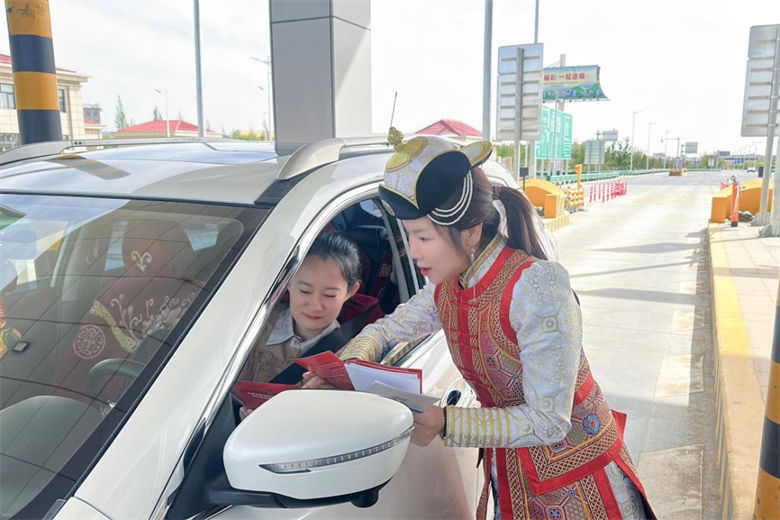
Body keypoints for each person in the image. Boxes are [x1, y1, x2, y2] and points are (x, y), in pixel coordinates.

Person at [305, 129, 655, 520]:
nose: (413, 251)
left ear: (470, 232)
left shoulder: (536, 287)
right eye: (409, 236)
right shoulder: (448, 285)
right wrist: (342, 369)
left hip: (577, 479)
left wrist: (446, 422)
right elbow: (385, 330)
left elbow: (549, 420)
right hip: (511, 469)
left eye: (423, 237)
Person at [237, 232, 364, 418]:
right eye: (305, 291)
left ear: (350, 292)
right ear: (287, 282)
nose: (315, 306)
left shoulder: (350, 360)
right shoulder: (251, 326)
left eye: (329, 295)